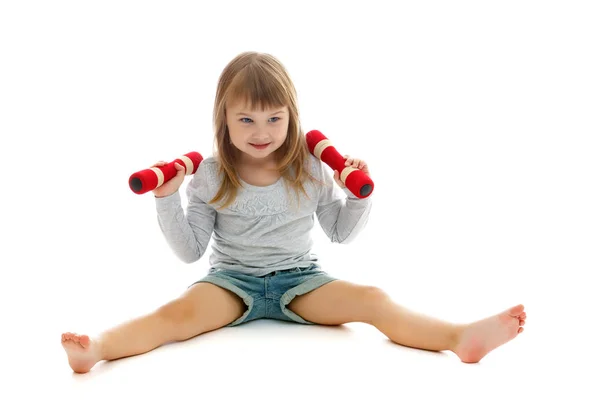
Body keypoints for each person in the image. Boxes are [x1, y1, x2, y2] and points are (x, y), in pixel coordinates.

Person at [61, 51, 526, 374]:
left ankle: (458, 337)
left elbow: (341, 235)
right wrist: (167, 197)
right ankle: (97, 350)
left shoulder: (310, 168)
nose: (260, 132)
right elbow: (189, 253)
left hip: (300, 279)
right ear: (223, 118)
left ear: (291, 117)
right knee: (172, 318)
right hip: (231, 281)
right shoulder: (207, 174)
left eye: (273, 119)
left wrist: (357, 194)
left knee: (373, 299)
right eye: (245, 119)